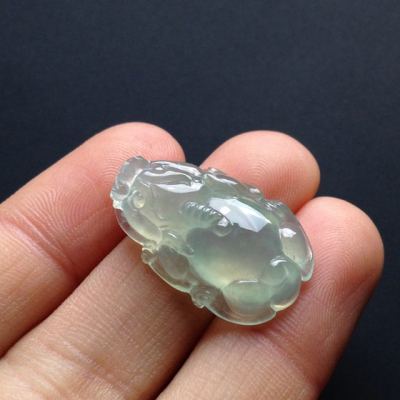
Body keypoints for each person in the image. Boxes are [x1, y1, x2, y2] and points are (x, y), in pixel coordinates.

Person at [0, 123, 383, 399]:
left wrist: (246, 211)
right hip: (235, 270)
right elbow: (180, 264)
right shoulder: (168, 233)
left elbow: (235, 196)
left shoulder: (196, 189)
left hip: (262, 249)